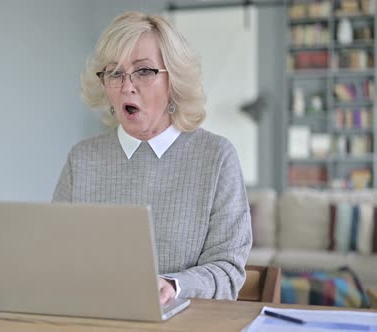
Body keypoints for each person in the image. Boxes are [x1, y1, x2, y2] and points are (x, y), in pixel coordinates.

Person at [52, 11, 252, 303]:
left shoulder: (216, 157)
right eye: (115, 73)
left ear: (174, 81)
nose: (126, 86)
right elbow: (56, 257)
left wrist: (174, 286)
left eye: (144, 71)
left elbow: (228, 271)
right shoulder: (82, 159)